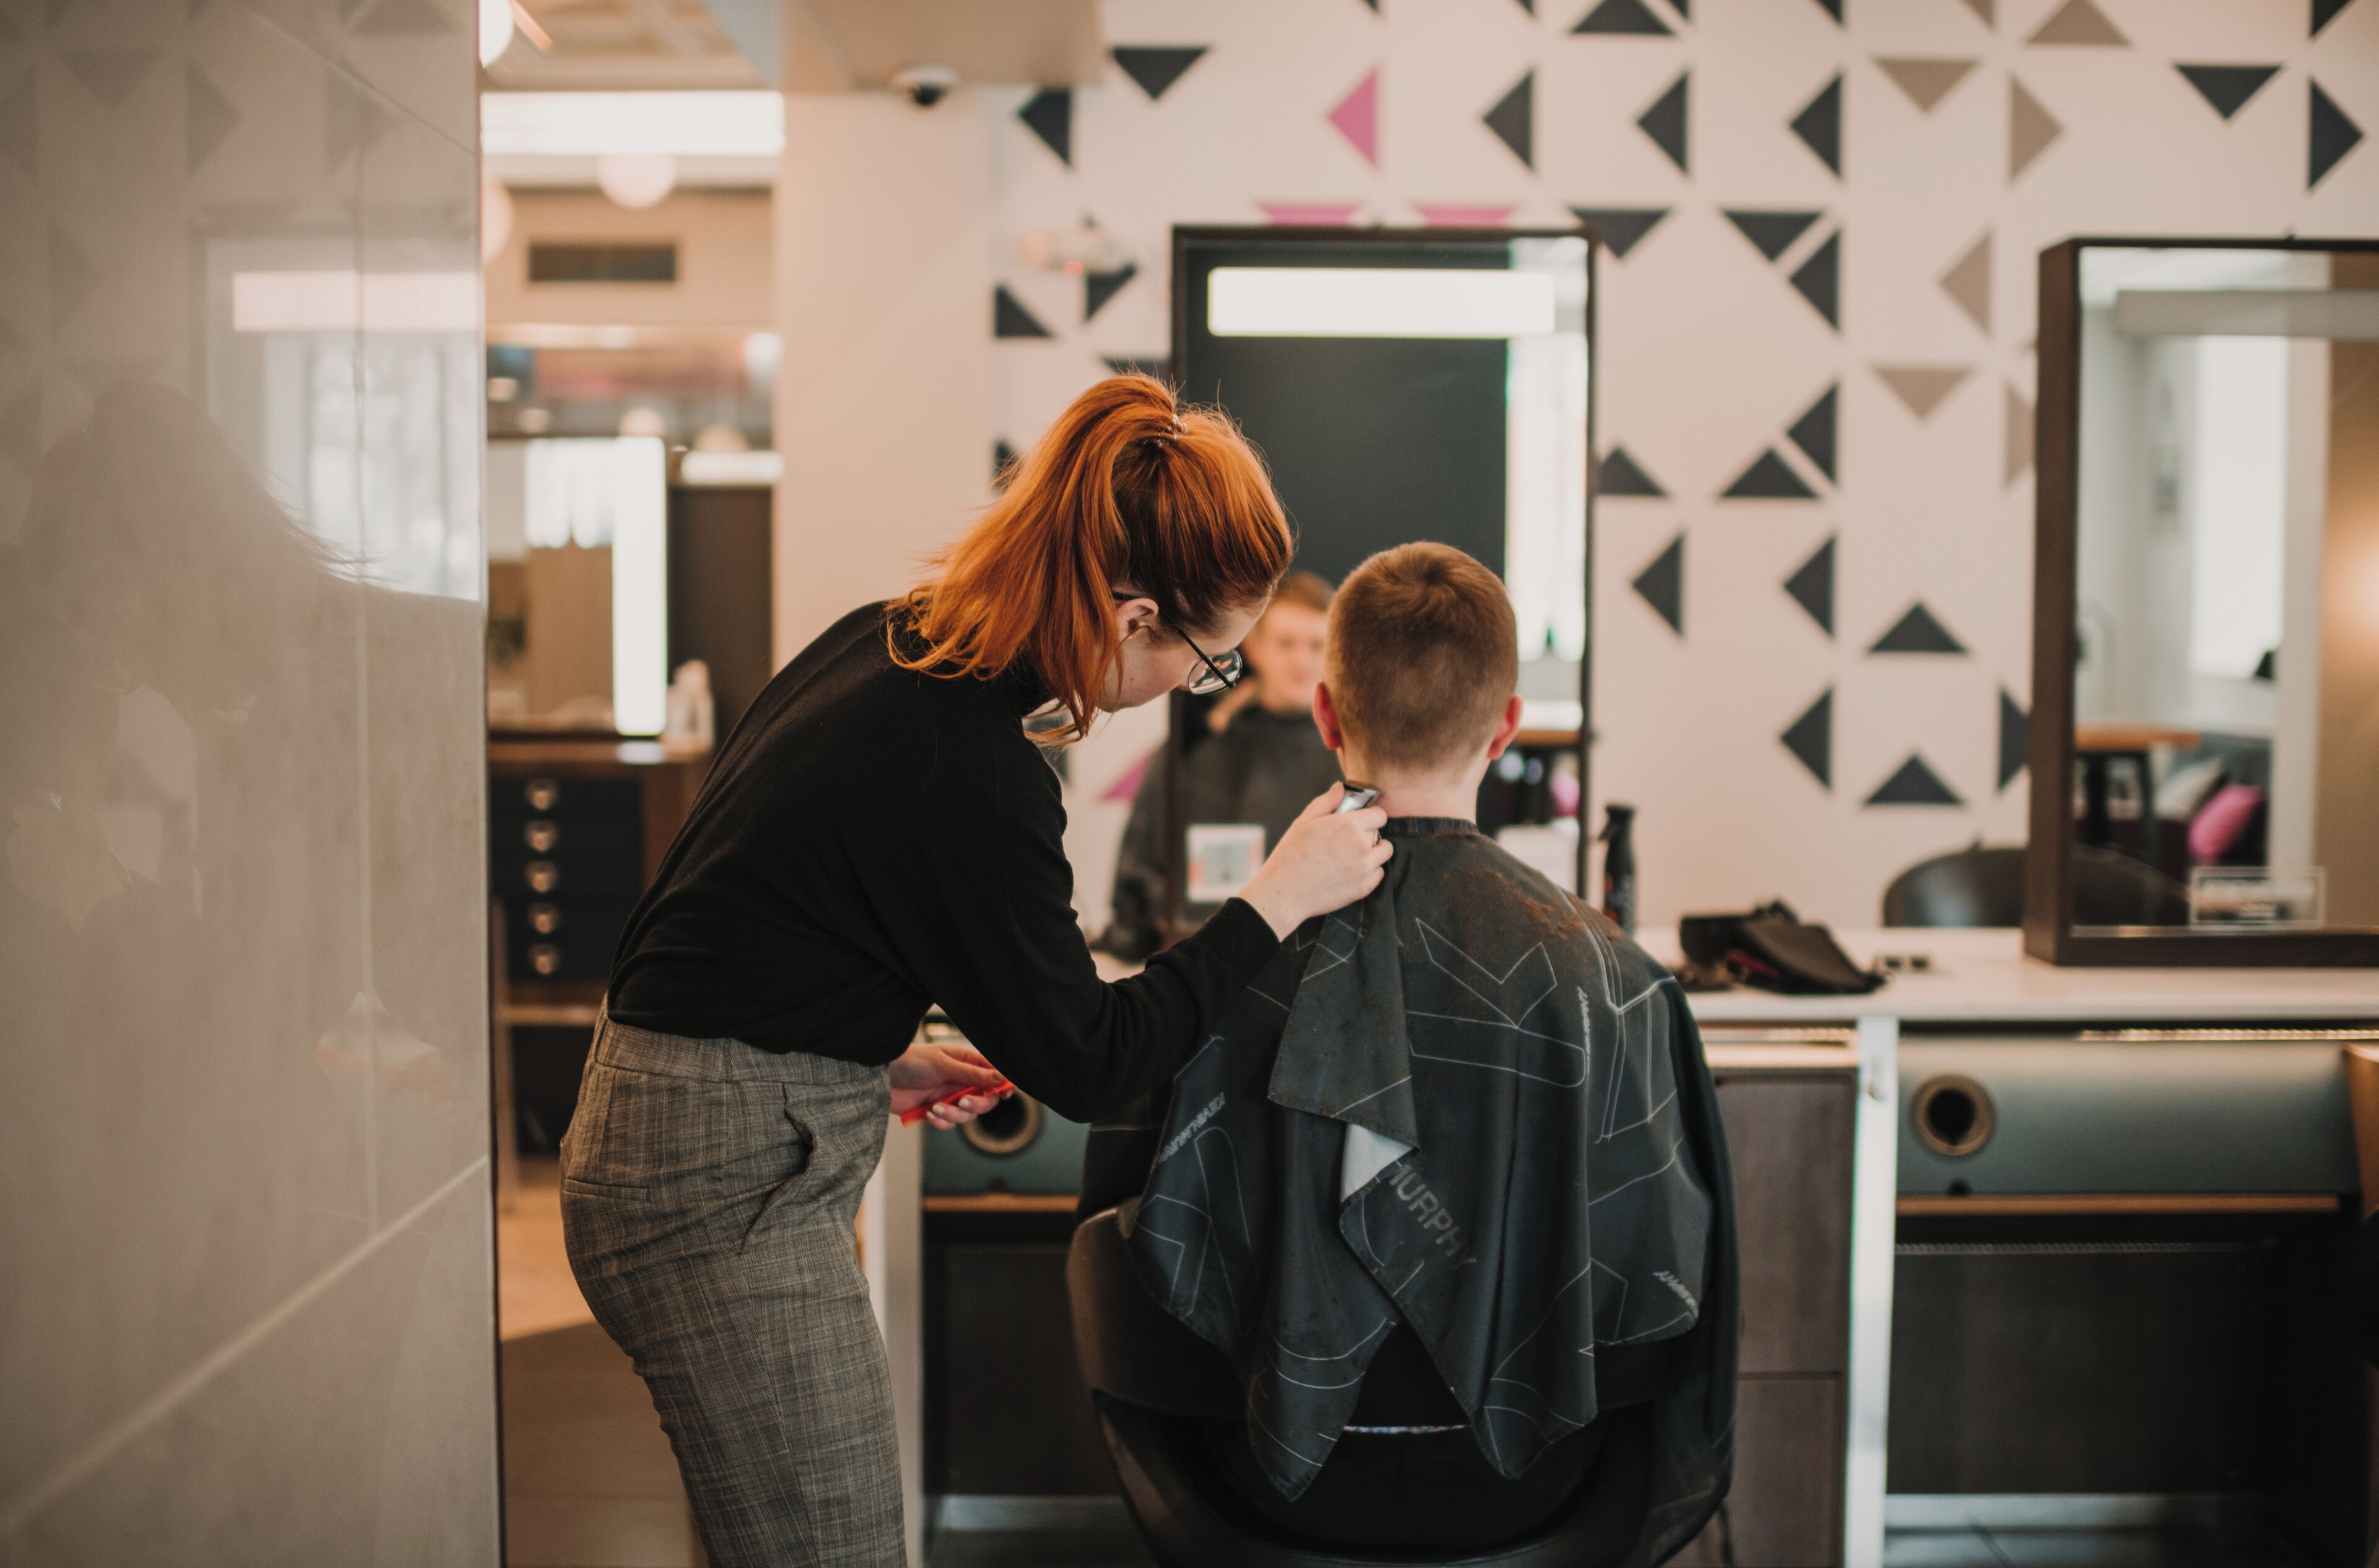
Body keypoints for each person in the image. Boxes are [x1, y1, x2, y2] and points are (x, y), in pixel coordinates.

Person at [563, 375, 1394, 1567]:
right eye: (1208, 662)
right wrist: (1281, 895)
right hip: (710, 1187)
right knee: (836, 1550)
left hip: (691, 1127)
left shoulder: (891, 640)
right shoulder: (975, 761)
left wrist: (863, 1048)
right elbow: (1098, 1062)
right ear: (1133, 618)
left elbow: (720, 911)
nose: (1193, 688)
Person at [1082, 543, 1737, 1561]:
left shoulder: (1218, 974)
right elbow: (1663, 1275)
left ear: (1328, 716)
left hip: (1256, 1475)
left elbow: (1131, 1256)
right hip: (1537, 1474)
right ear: (1507, 726)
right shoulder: (1615, 980)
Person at [1105, 571, 1343, 957]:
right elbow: (1138, 881)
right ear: (1255, 648)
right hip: (1203, 972)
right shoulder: (1194, 753)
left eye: (1317, 645)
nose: (1302, 660)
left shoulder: (1358, 762)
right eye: (1286, 643)